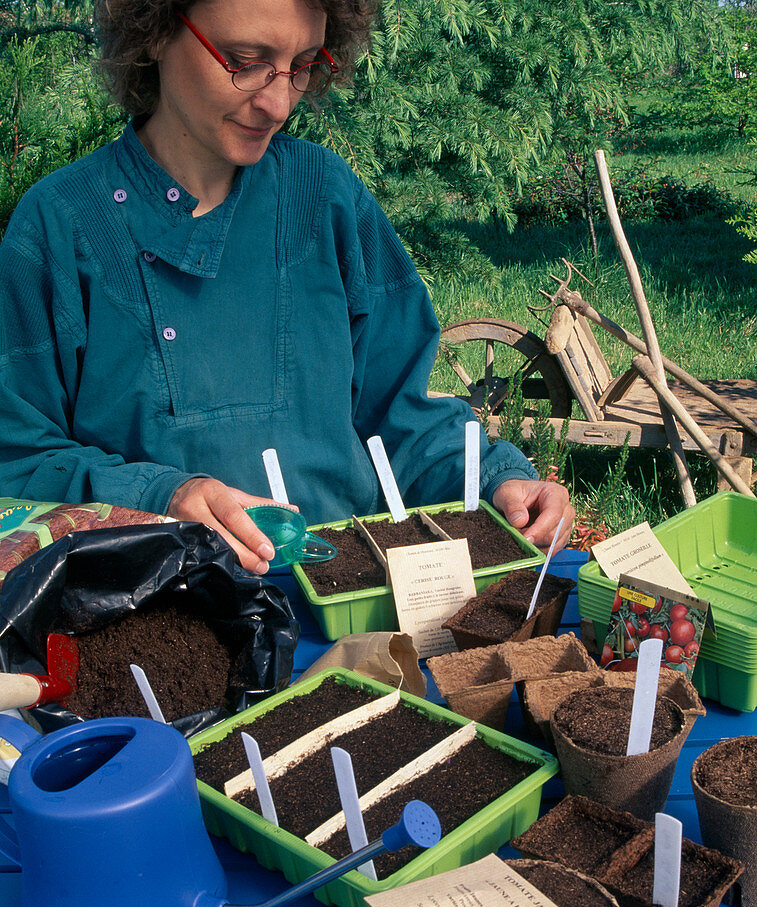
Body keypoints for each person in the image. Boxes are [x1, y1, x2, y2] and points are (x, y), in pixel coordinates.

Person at [0, 0, 574, 575]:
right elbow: (17, 461)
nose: (278, 104)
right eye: (244, 61)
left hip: (346, 606)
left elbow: (398, 414)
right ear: (153, 32)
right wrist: (161, 496)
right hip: (148, 614)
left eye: (302, 64)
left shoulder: (325, 197)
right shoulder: (58, 226)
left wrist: (498, 477)